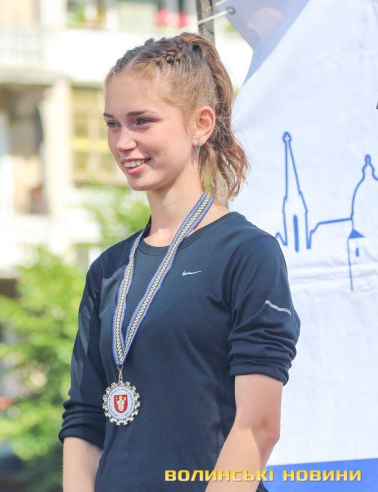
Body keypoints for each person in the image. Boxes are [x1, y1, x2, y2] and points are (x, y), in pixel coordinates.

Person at [59, 33, 300, 492]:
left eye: (142, 121)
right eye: (112, 124)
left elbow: (258, 427)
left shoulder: (246, 253)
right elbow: (85, 420)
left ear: (200, 124)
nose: (123, 141)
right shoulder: (108, 269)